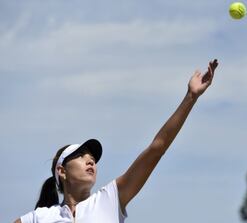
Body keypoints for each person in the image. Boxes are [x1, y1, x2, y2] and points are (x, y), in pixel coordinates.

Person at [15, 59, 219, 223]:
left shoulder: (110, 199)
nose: (91, 161)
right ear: (61, 171)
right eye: (81, 156)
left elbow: (157, 148)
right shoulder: (38, 218)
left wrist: (191, 97)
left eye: (92, 158)